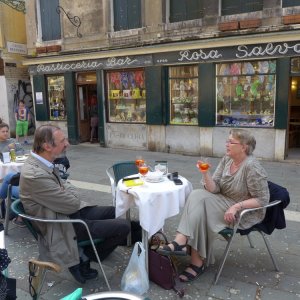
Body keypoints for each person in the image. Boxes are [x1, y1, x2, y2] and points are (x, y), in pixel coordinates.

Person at [19, 124, 132, 284]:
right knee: (124, 226)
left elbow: (68, 187)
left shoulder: (44, 162)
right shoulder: (35, 174)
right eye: (62, 140)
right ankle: (88, 256)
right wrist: (64, 191)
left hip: (66, 212)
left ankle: (86, 252)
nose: (67, 144)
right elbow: (71, 203)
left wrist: (63, 190)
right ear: (47, 146)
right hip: (62, 224)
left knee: (116, 211)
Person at [158, 129, 269, 283]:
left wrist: (236, 207)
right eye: (227, 141)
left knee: (203, 210)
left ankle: (194, 259)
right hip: (223, 200)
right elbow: (214, 188)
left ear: (244, 147)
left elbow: (262, 199)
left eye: (231, 142)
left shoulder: (252, 167)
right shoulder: (227, 160)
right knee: (196, 194)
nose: (227, 144)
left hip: (243, 210)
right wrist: (205, 173)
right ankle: (182, 242)